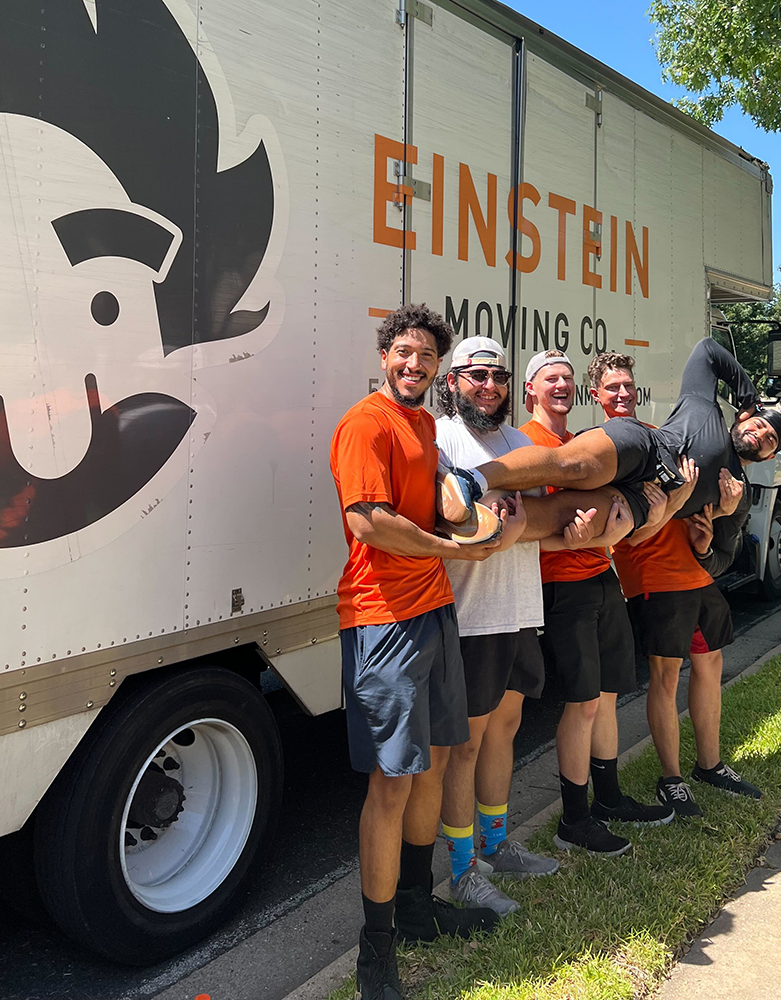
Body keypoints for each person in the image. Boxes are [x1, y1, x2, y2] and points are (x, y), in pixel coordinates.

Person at [329, 305, 505, 1000]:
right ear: (384, 357)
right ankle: (376, 950)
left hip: (433, 611)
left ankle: (416, 907)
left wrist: (467, 511)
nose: (415, 365)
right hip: (382, 621)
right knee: (391, 783)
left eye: (427, 356)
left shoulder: (424, 423)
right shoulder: (363, 424)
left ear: (439, 368)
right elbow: (367, 522)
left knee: (432, 765)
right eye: (405, 352)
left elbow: (435, 497)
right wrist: (453, 547)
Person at [434, 337, 584, 916]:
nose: (489, 386)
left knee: (506, 729)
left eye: (497, 376)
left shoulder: (521, 443)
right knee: (465, 747)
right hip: (469, 614)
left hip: (520, 608)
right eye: (476, 376)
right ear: (453, 382)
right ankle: (463, 870)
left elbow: (541, 519)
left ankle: (496, 848)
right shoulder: (442, 439)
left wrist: (563, 527)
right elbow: (438, 520)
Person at [589, 351, 763, 817]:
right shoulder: (605, 448)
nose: (622, 393)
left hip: (695, 572)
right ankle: (672, 780)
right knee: (665, 678)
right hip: (654, 577)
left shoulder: (658, 436)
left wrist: (720, 515)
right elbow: (625, 530)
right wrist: (675, 501)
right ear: (597, 396)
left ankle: (710, 764)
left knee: (711, 666)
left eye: (627, 385)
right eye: (612, 388)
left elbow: (697, 509)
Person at [521, 350, 675, 857]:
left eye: (566, 377)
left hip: (602, 579)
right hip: (562, 588)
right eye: (551, 379)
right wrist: (577, 542)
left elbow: (617, 529)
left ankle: (609, 799)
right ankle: (575, 818)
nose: (560, 385)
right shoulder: (529, 446)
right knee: (583, 703)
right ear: (531, 391)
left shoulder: (585, 444)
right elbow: (525, 531)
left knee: (608, 694)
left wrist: (656, 513)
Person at [437, 338, 781, 534]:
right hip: (646, 449)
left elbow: (720, 556)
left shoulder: (737, 494)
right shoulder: (705, 407)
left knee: (568, 517)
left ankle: (480, 522)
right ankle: (472, 481)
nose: (760, 434)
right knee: (572, 465)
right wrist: (748, 397)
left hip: (646, 502)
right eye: (760, 423)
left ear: (770, 455)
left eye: (770, 439)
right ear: (747, 418)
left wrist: (717, 516)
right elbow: (707, 351)